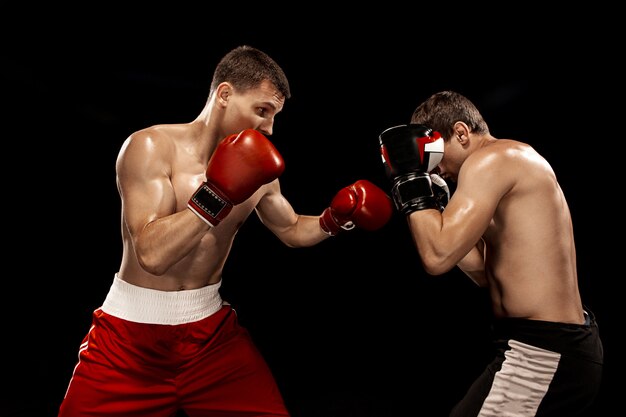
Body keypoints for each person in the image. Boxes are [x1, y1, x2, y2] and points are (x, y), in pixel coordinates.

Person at [57, 45, 393, 417]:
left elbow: (292, 228)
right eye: (262, 110)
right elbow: (151, 255)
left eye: (275, 115)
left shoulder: (260, 170)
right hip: (128, 340)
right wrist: (218, 194)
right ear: (225, 94)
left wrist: (335, 218)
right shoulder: (151, 146)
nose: (269, 127)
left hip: (210, 339)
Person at [378, 90, 603, 417]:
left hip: (544, 350)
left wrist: (411, 183)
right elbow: (483, 270)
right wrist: (436, 209)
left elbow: (436, 258)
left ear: (460, 133)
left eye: (434, 155)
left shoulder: (491, 160)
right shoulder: (510, 160)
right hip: (550, 345)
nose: (435, 170)